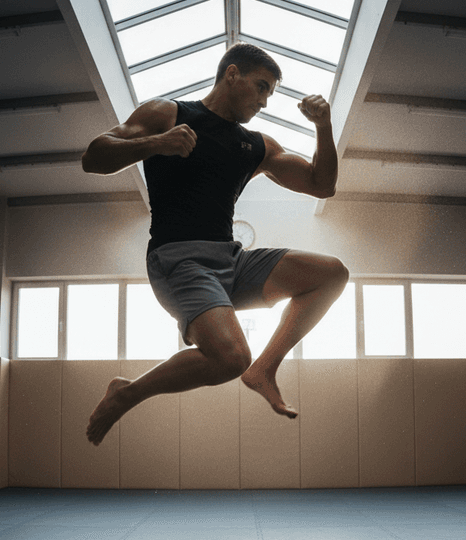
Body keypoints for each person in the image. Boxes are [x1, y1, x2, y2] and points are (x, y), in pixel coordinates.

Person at [82, 42, 348, 446]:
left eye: (269, 93)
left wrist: (323, 126)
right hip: (178, 260)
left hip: (231, 260)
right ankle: (128, 392)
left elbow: (322, 185)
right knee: (229, 359)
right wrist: (155, 144)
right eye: (260, 87)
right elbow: (94, 156)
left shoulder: (257, 145)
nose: (263, 101)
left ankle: (265, 371)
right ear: (232, 74)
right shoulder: (168, 113)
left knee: (331, 274)